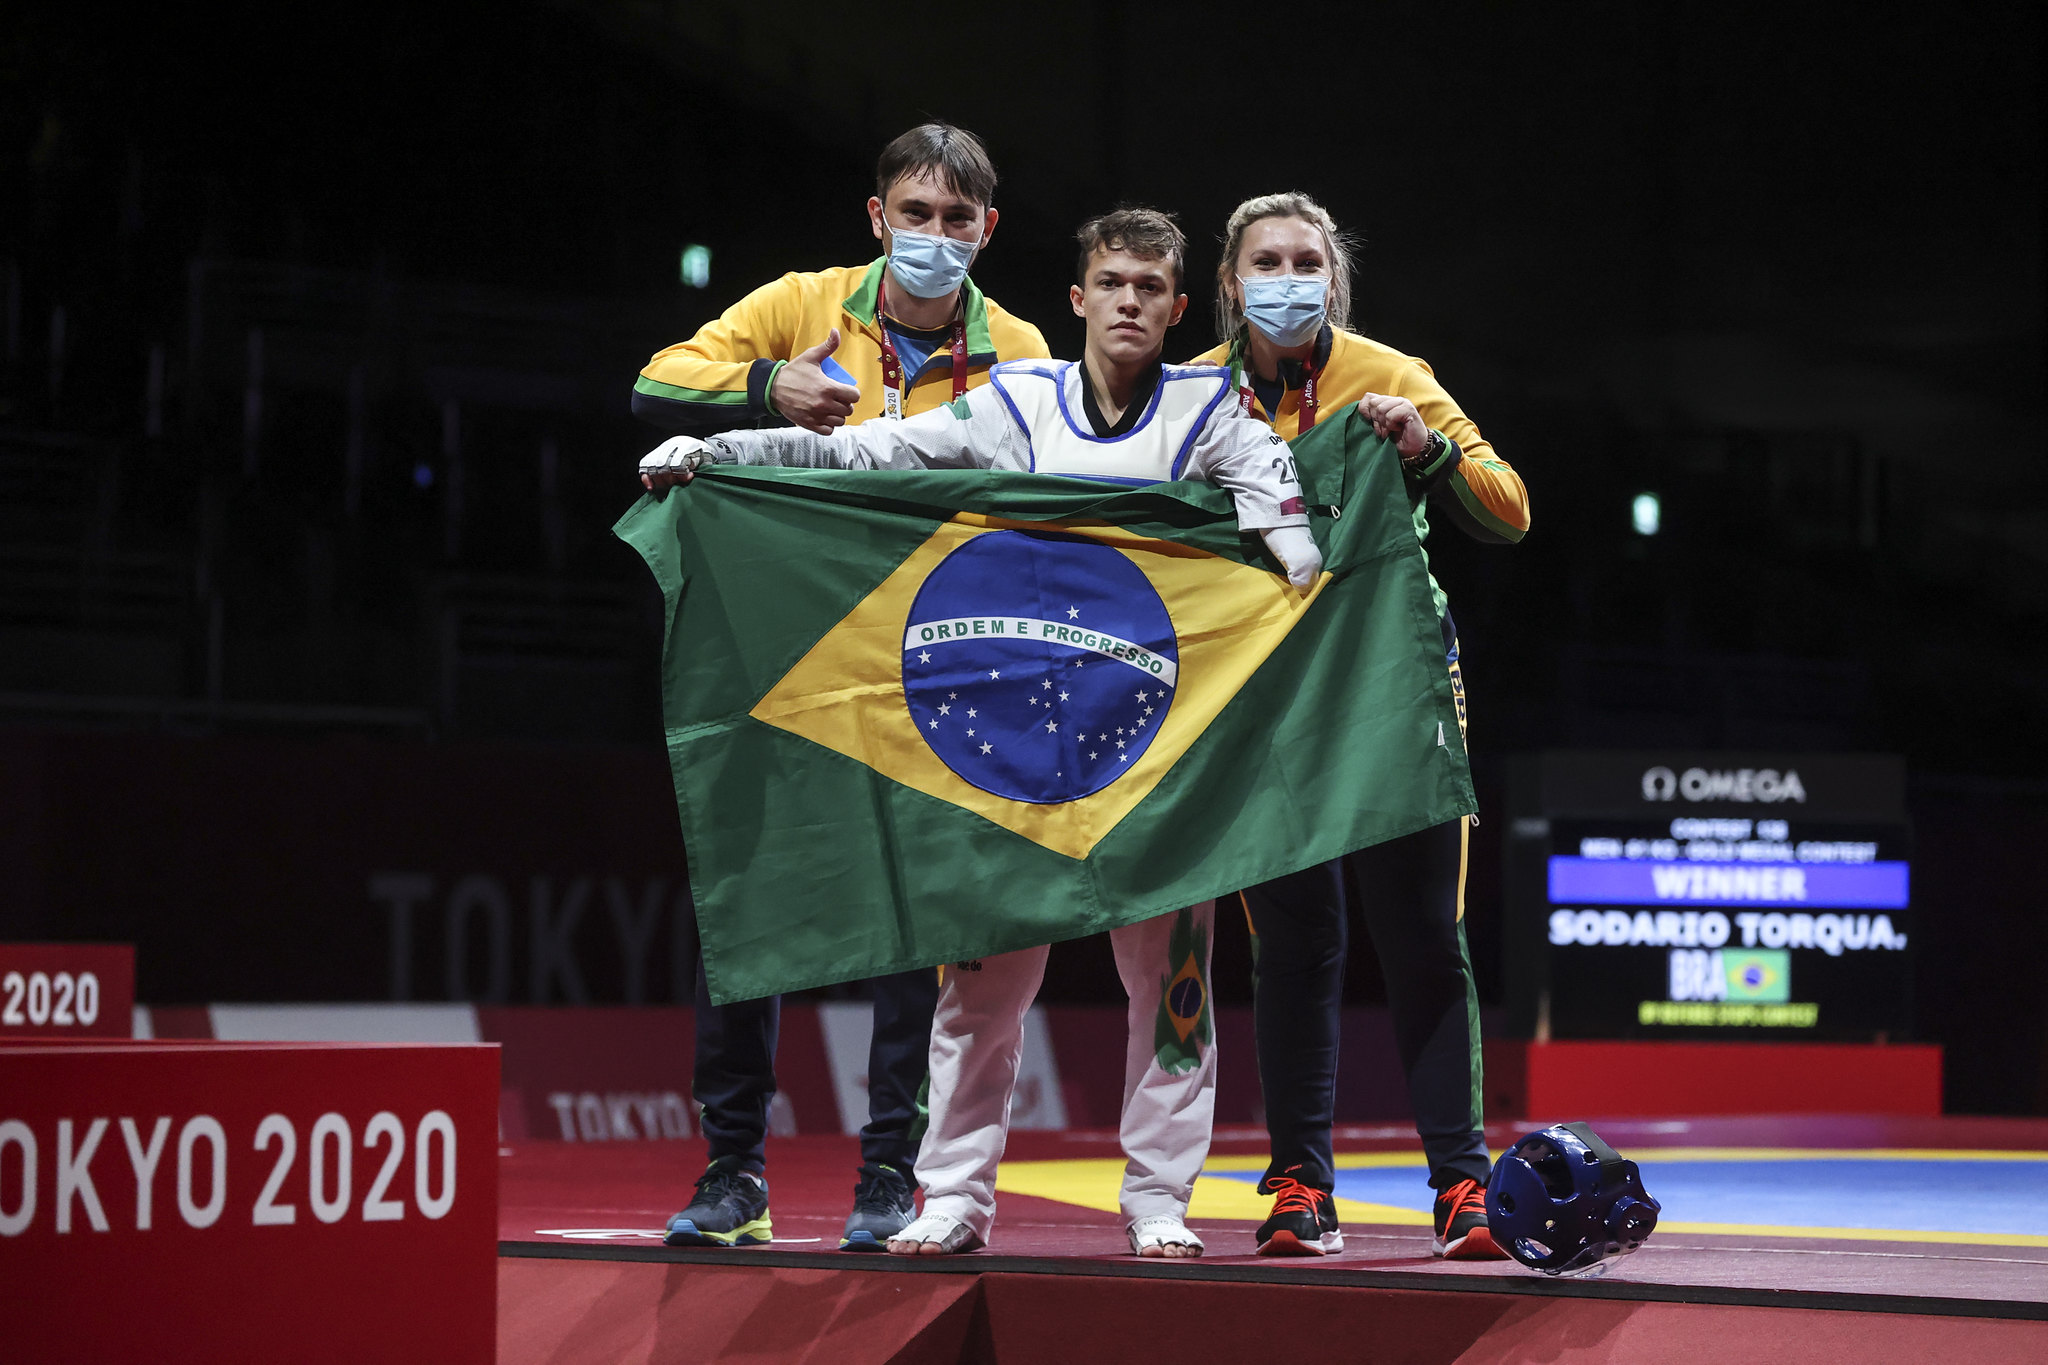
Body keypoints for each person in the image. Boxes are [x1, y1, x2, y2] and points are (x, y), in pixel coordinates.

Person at [642, 208, 1321, 1258]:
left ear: (1179, 309)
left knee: (1173, 991)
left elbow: (1277, 505)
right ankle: (953, 1197)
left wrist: (1294, 555)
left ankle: (1155, 1202)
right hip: (1017, 750)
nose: (1130, 302)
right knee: (979, 994)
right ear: (1077, 299)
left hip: (1158, 756)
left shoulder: (1207, 410)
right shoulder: (1020, 401)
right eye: (1112, 283)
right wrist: (723, 453)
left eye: (1150, 287)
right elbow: (874, 450)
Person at [633, 122, 1051, 1254]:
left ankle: (886, 1178)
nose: (931, 237)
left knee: (911, 918)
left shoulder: (1017, 346)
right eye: (912, 215)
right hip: (781, 646)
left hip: (928, 657)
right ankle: (732, 1176)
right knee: (753, 897)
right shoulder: (803, 302)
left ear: (985, 231)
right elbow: (654, 382)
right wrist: (769, 387)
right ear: (876, 219)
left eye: (954, 220)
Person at [1185, 191, 1529, 1259]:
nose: (1284, 277)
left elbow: (1506, 508)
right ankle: (1298, 1184)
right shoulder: (1188, 395)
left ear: (1332, 281)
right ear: (1230, 282)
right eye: (1262, 261)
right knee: (1293, 946)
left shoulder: (1391, 375)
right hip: (1264, 705)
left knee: (1422, 938)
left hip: (1394, 694)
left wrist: (1424, 448)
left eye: (1303, 261)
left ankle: (1461, 1188)